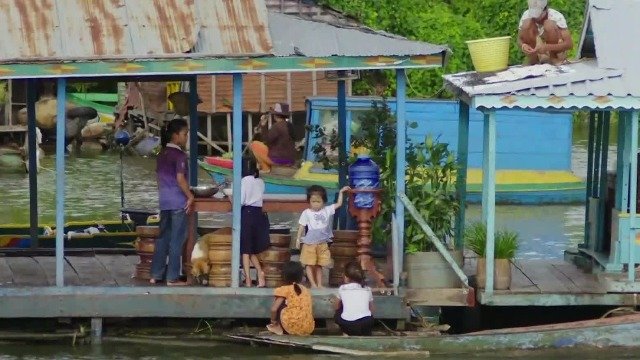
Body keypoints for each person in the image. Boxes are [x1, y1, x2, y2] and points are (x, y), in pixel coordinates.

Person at [150, 118, 194, 286]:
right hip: (178, 202)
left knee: (163, 238)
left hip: (164, 201)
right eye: (185, 134)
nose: (186, 137)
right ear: (175, 136)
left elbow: (158, 179)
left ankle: (156, 274)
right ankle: (172, 277)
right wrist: (190, 196)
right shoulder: (180, 156)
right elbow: (180, 179)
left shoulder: (162, 154)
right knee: (177, 239)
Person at [295, 185, 350, 288]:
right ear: (309, 201)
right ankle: (313, 284)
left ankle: (320, 284)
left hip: (322, 243)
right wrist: (298, 239)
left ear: (323, 201)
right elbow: (301, 226)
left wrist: (341, 192)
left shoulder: (327, 210)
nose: (315, 204)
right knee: (309, 264)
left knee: (320, 264)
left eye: (318, 202)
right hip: (310, 243)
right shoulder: (306, 213)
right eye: (313, 202)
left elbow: (339, 204)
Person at [240, 156, 270, 287]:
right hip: (259, 215)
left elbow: (241, 201)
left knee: (245, 250)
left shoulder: (243, 181)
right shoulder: (261, 182)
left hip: (247, 214)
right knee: (251, 249)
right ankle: (260, 272)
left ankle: (247, 279)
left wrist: (231, 199)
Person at [518, 0, 573, 65]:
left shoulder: (556, 16)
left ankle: (553, 57)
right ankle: (534, 59)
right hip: (536, 48)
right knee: (526, 23)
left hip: (555, 49)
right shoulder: (526, 15)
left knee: (549, 24)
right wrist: (523, 45)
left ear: (545, 10)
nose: (535, 17)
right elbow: (519, 39)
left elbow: (569, 44)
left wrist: (547, 47)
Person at [267, 261, 315, 336]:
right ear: (301, 276)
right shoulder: (305, 290)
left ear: (283, 276)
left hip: (289, 327)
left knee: (281, 304)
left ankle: (278, 327)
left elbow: (273, 309)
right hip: (307, 328)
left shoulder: (284, 289)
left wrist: (273, 322)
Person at [250, 102, 297, 172]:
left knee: (254, 144)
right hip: (290, 160)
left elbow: (267, 140)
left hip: (278, 159)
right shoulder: (290, 125)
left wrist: (263, 126)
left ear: (275, 115)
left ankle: (266, 169)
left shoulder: (277, 126)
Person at [332, 261, 374, 336]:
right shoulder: (367, 289)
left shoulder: (342, 288)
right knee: (367, 316)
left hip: (347, 324)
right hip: (365, 323)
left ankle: (346, 333)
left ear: (347, 277)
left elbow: (336, 306)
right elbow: (371, 309)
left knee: (339, 311)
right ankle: (365, 334)